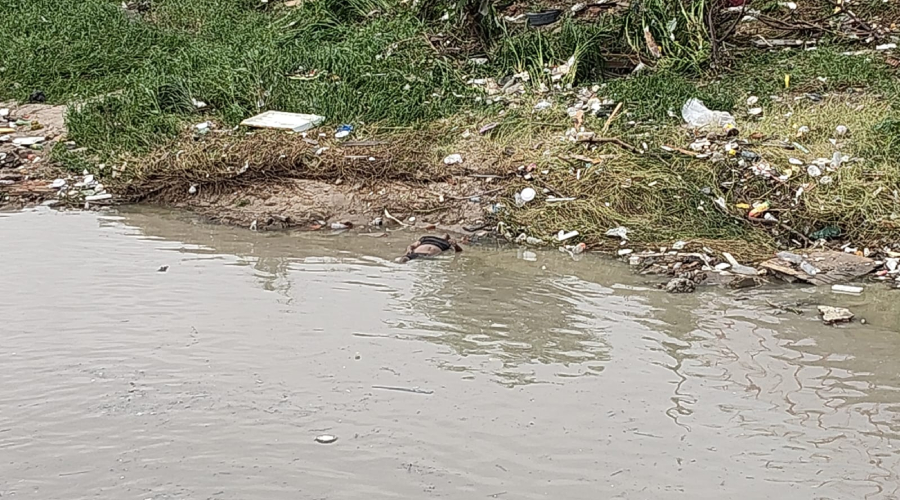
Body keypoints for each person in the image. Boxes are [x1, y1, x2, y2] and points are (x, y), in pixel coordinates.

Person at [396, 234, 463, 263]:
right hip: (419, 253)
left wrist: (455, 245)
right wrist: (409, 250)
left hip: (432, 256)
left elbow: (459, 251)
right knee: (405, 258)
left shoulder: (447, 243)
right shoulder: (426, 237)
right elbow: (411, 246)